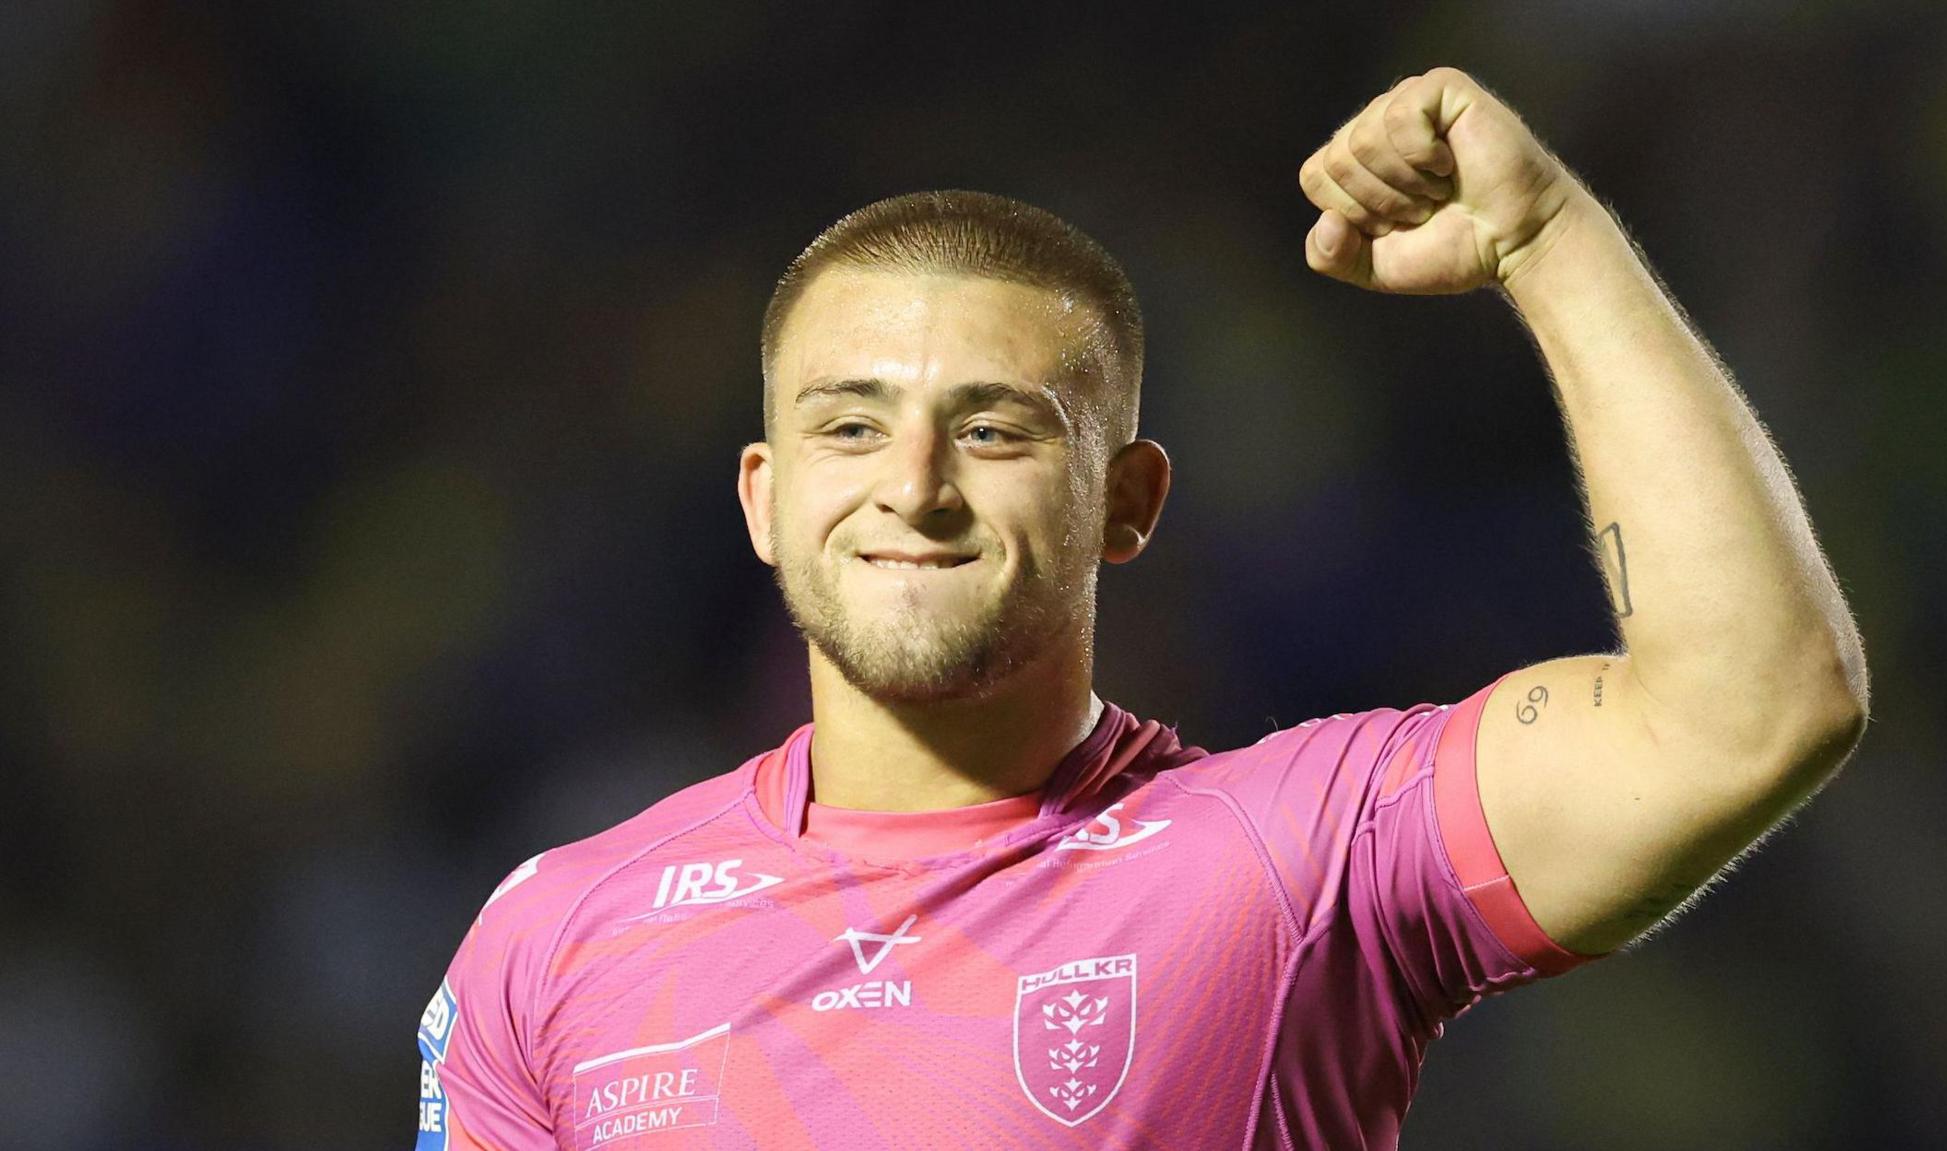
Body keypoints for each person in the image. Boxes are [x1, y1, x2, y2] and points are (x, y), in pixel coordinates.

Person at [413, 67, 1868, 1150]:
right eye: (850, 428)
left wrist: (1549, 243)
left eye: (993, 430)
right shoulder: (554, 937)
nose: (913, 485)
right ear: (761, 497)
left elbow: (1756, 710)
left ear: (1131, 500)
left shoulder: (1301, 860)